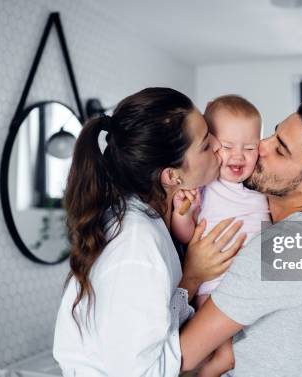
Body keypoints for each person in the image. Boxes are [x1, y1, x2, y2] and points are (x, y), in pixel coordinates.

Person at [52, 87, 247, 376]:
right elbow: (141, 372)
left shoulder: (150, 216)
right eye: (206, 144)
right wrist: (193, 276)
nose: (220, 147)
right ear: (171, 176)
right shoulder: (136, 246)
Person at [180, 98, 302, 377]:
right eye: (272, 133)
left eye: (280, 150)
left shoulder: (284, 249)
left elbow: (180, 357)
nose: (261, 146)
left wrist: (192, 277)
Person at [171, 94, 271, 376]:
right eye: (227, 147)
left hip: (251, 285)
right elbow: (187, 235)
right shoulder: (205, 185)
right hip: (213, 283)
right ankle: (218, 363)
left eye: (250, 148)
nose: (238, 156)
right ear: (211, 145)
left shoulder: (260, 186)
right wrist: (182, 214)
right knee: (220, 348)